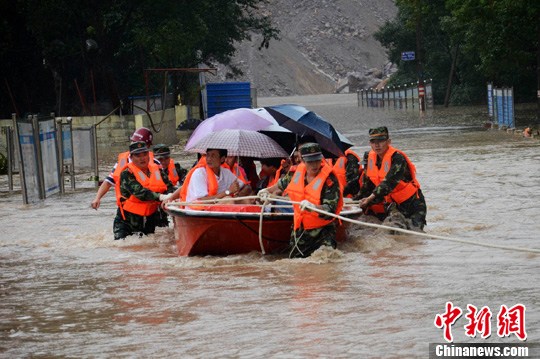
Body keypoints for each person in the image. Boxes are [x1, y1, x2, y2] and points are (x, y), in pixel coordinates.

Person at [260, 143, 343, 258]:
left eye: (317, 160)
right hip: (300, 230)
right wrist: (266, 191)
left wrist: (313, 207)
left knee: (326, 263)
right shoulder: (296, 172)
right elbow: (281, 184)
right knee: (296, 266)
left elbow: (330, 210)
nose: (314, 165)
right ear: (303, 160)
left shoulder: (329, 180)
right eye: (310, 161)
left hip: (323, 232)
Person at [356, 127, 427, 230]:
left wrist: (369, 199)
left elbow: (389, 183)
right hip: (392, 204)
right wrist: (353, 200)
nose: (377, 145)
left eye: (381, 141)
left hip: (412, 204)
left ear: (388, 141)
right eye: (373, 141)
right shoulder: (369, 157)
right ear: (369, 143)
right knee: (393, 233)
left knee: (414, 235)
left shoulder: (398, 158)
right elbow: (367, 185)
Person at [113, 141, 174, 240]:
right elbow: (140, 193)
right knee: (125, 249)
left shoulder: (157, 170)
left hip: (149, 220)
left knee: (149, 249)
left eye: (145, 154)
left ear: (149, 155)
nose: (142, 158)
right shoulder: (127, 173)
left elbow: (169, 187)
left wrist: (174, 195)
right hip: (127, 222)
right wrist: (161, 197)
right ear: (131, 158)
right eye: (138, 155)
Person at [91, 127, 155, 209]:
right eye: (133, 142)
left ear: (148, 146)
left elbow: (163, 184)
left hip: (150, 208)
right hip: (128, 210)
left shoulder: (155, 164)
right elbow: (108, 182)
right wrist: (97, 198)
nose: (134, 145)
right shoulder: (121, 163)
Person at [171, 148, 251, 204]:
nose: (209, 159)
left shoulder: (226, 173)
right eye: (208, 155)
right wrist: (228, 192)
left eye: (213, 156)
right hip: (199, 208)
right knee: (228, 200)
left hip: (217, 207)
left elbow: (246, 187)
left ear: (222, 159)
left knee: (246, 201)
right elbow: (202, 201)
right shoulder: (199, 173)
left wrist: (238, 196)